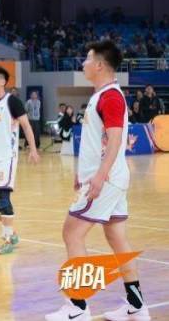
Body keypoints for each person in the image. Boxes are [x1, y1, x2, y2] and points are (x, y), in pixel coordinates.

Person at [46, 40, 151, 320]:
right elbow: (98, 142)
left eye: (87, 58)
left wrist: (100, 175)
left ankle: (78, 307)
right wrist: (82, 173)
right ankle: (137, 306)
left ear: (100, 65)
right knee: (116, 237)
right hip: (109, 178)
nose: (83, 63)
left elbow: (115, 140)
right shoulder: (102, 95)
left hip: (106, 180)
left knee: (72, 233)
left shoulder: (110, 97)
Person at [0, 66, 39, 255]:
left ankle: (7, 239)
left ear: (3, 82)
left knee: (3, 198)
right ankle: (11, 233)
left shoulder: (12, 101)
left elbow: (26, 126)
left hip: (6, 157)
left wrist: (33, 149)